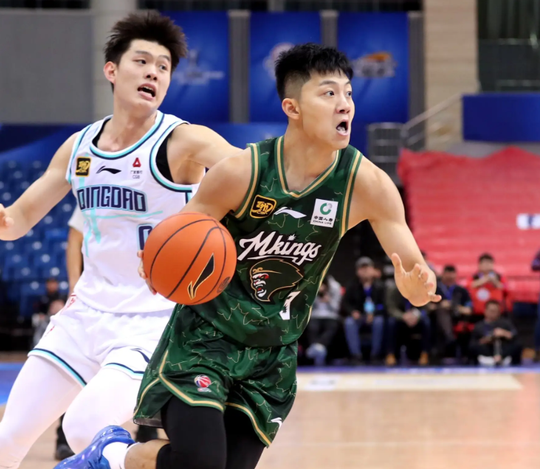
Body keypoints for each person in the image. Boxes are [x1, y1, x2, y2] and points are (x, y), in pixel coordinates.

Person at [59, 43, 440, 469]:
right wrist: (158, 265)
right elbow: (179, 234)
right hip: (205, 338)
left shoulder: (367, 184)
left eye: (348, 93)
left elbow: (415, 272)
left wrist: (417, 288)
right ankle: (112, 453)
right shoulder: (243, 171)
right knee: (202, 462)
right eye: (329, 93)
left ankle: (113, 456)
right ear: (292, 108)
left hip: (272, 353)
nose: (344, 104)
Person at [0, 11, 241, 469]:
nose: (153, 73)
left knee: (83, 427)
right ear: (111, 71)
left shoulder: (183, 141)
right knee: (3, 446)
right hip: (84, 315)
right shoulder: (79, 147)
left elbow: (249, 173)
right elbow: (20, 219)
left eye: (163, 67)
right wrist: (0, 220)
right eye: (142, 61)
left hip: (150, 320)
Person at [469, 300, 521, 366]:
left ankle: (504, 360)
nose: (493, 313)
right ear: (485, 311)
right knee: (473, 347)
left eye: (496, 311)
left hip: (503, 349)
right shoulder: (479, 325)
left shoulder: (505, 323)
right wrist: (487, 339)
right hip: (486, 350)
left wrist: (504, 333)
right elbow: (474, 342)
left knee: (517, 345)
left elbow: (514, 334)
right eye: (491, 311)